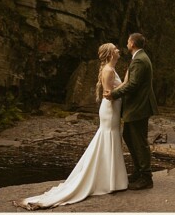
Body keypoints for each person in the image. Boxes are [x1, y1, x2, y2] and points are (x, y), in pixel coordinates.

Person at [15, 43, 128, 210]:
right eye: (115, 49)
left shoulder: (111, 68)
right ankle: (107, 180)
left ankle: (110, 178)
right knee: (108, 137)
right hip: (110, 110)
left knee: (109, 138)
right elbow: (109, 94)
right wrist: (127, 81)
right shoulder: (108, 71)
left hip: (112, 110)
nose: (118, 50)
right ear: (111, 53)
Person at [104, 33, 158, 190]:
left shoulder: (140, 59)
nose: (126, 44)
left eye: (128, 41)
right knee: (129, 136)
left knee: (139, 141)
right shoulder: (140, 57)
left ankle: (146, 177)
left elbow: (133, 84)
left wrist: (113, 94)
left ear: (132, 43)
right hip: (137, 106)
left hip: (139, 107)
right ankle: (138, 171)